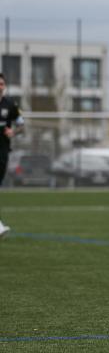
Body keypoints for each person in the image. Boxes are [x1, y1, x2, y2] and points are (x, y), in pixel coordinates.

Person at [0, 73, 25, 239]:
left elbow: (21, 124)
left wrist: (13, 132)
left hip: (2, 150)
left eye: (1, 83)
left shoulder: (10, 104)